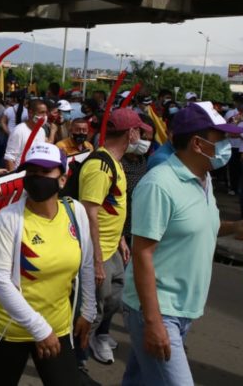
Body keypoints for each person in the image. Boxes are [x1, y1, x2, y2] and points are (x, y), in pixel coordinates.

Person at [122, 102, 243, 385]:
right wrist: (153, 322)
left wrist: (235, 226)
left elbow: (195, 225)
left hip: (184, 309)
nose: (226, 146)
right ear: (198, 143)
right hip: (159, 310)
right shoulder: (159, 184)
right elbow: (142, 253)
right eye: (220, 138)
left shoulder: (203, 179)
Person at [0, 143, 96, 385]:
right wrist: (39, 329)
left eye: (45, 172)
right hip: (10, 330)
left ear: (62, 179)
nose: (37, 178)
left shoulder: (75, 211)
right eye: (31, 172)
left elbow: (86, 262)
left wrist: (89, 309)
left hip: (57, 327)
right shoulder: (8, 219)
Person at [78, 108, 151, 366]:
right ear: (130, 133)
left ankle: (94, 340)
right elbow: (89, 213)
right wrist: (97, 261)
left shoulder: (115, 161)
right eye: (139, 131)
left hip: (113, 248)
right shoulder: (100, 167)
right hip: (98, 252)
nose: (142, 137)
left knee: (114, 300)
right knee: (92, 311)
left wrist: (120, 240)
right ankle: (76, 361)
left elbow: (111, 206)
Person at [4, 99, 49, 171]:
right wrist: (14, 176)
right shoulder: (19, 130)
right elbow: (9, 158)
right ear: (30, 113)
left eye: (46, 113)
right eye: (41, 112)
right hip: (21, 173)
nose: (44, 116)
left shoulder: (42, 131)